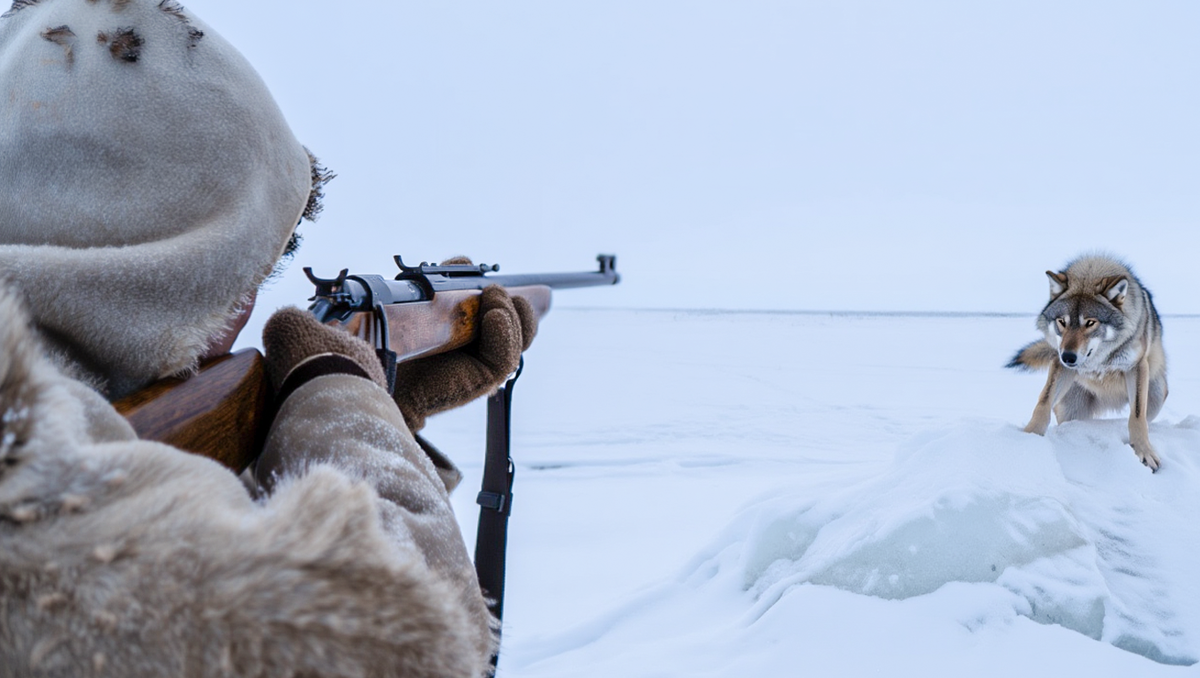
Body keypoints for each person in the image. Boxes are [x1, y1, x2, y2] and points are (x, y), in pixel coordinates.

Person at [0, 1, 533, 675]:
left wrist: (388, 410)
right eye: (248, 266)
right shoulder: (40, 494)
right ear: (172, 270)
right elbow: (402, 646)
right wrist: (338, 401)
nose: (250, 304)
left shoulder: (43, 434)